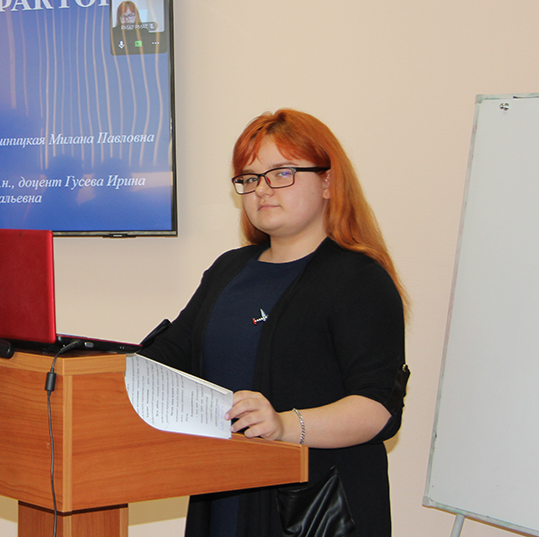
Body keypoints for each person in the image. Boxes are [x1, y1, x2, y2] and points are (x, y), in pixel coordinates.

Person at [139, 109, 408, 537]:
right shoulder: (229, 269)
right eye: (249, 178)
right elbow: (169, 357)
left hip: (315, 512)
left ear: (327, 182)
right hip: (222, 494)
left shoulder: (358, 279)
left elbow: (378, 409)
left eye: (281, 173)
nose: (261, 189)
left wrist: (284, 425)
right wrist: (82, 361)